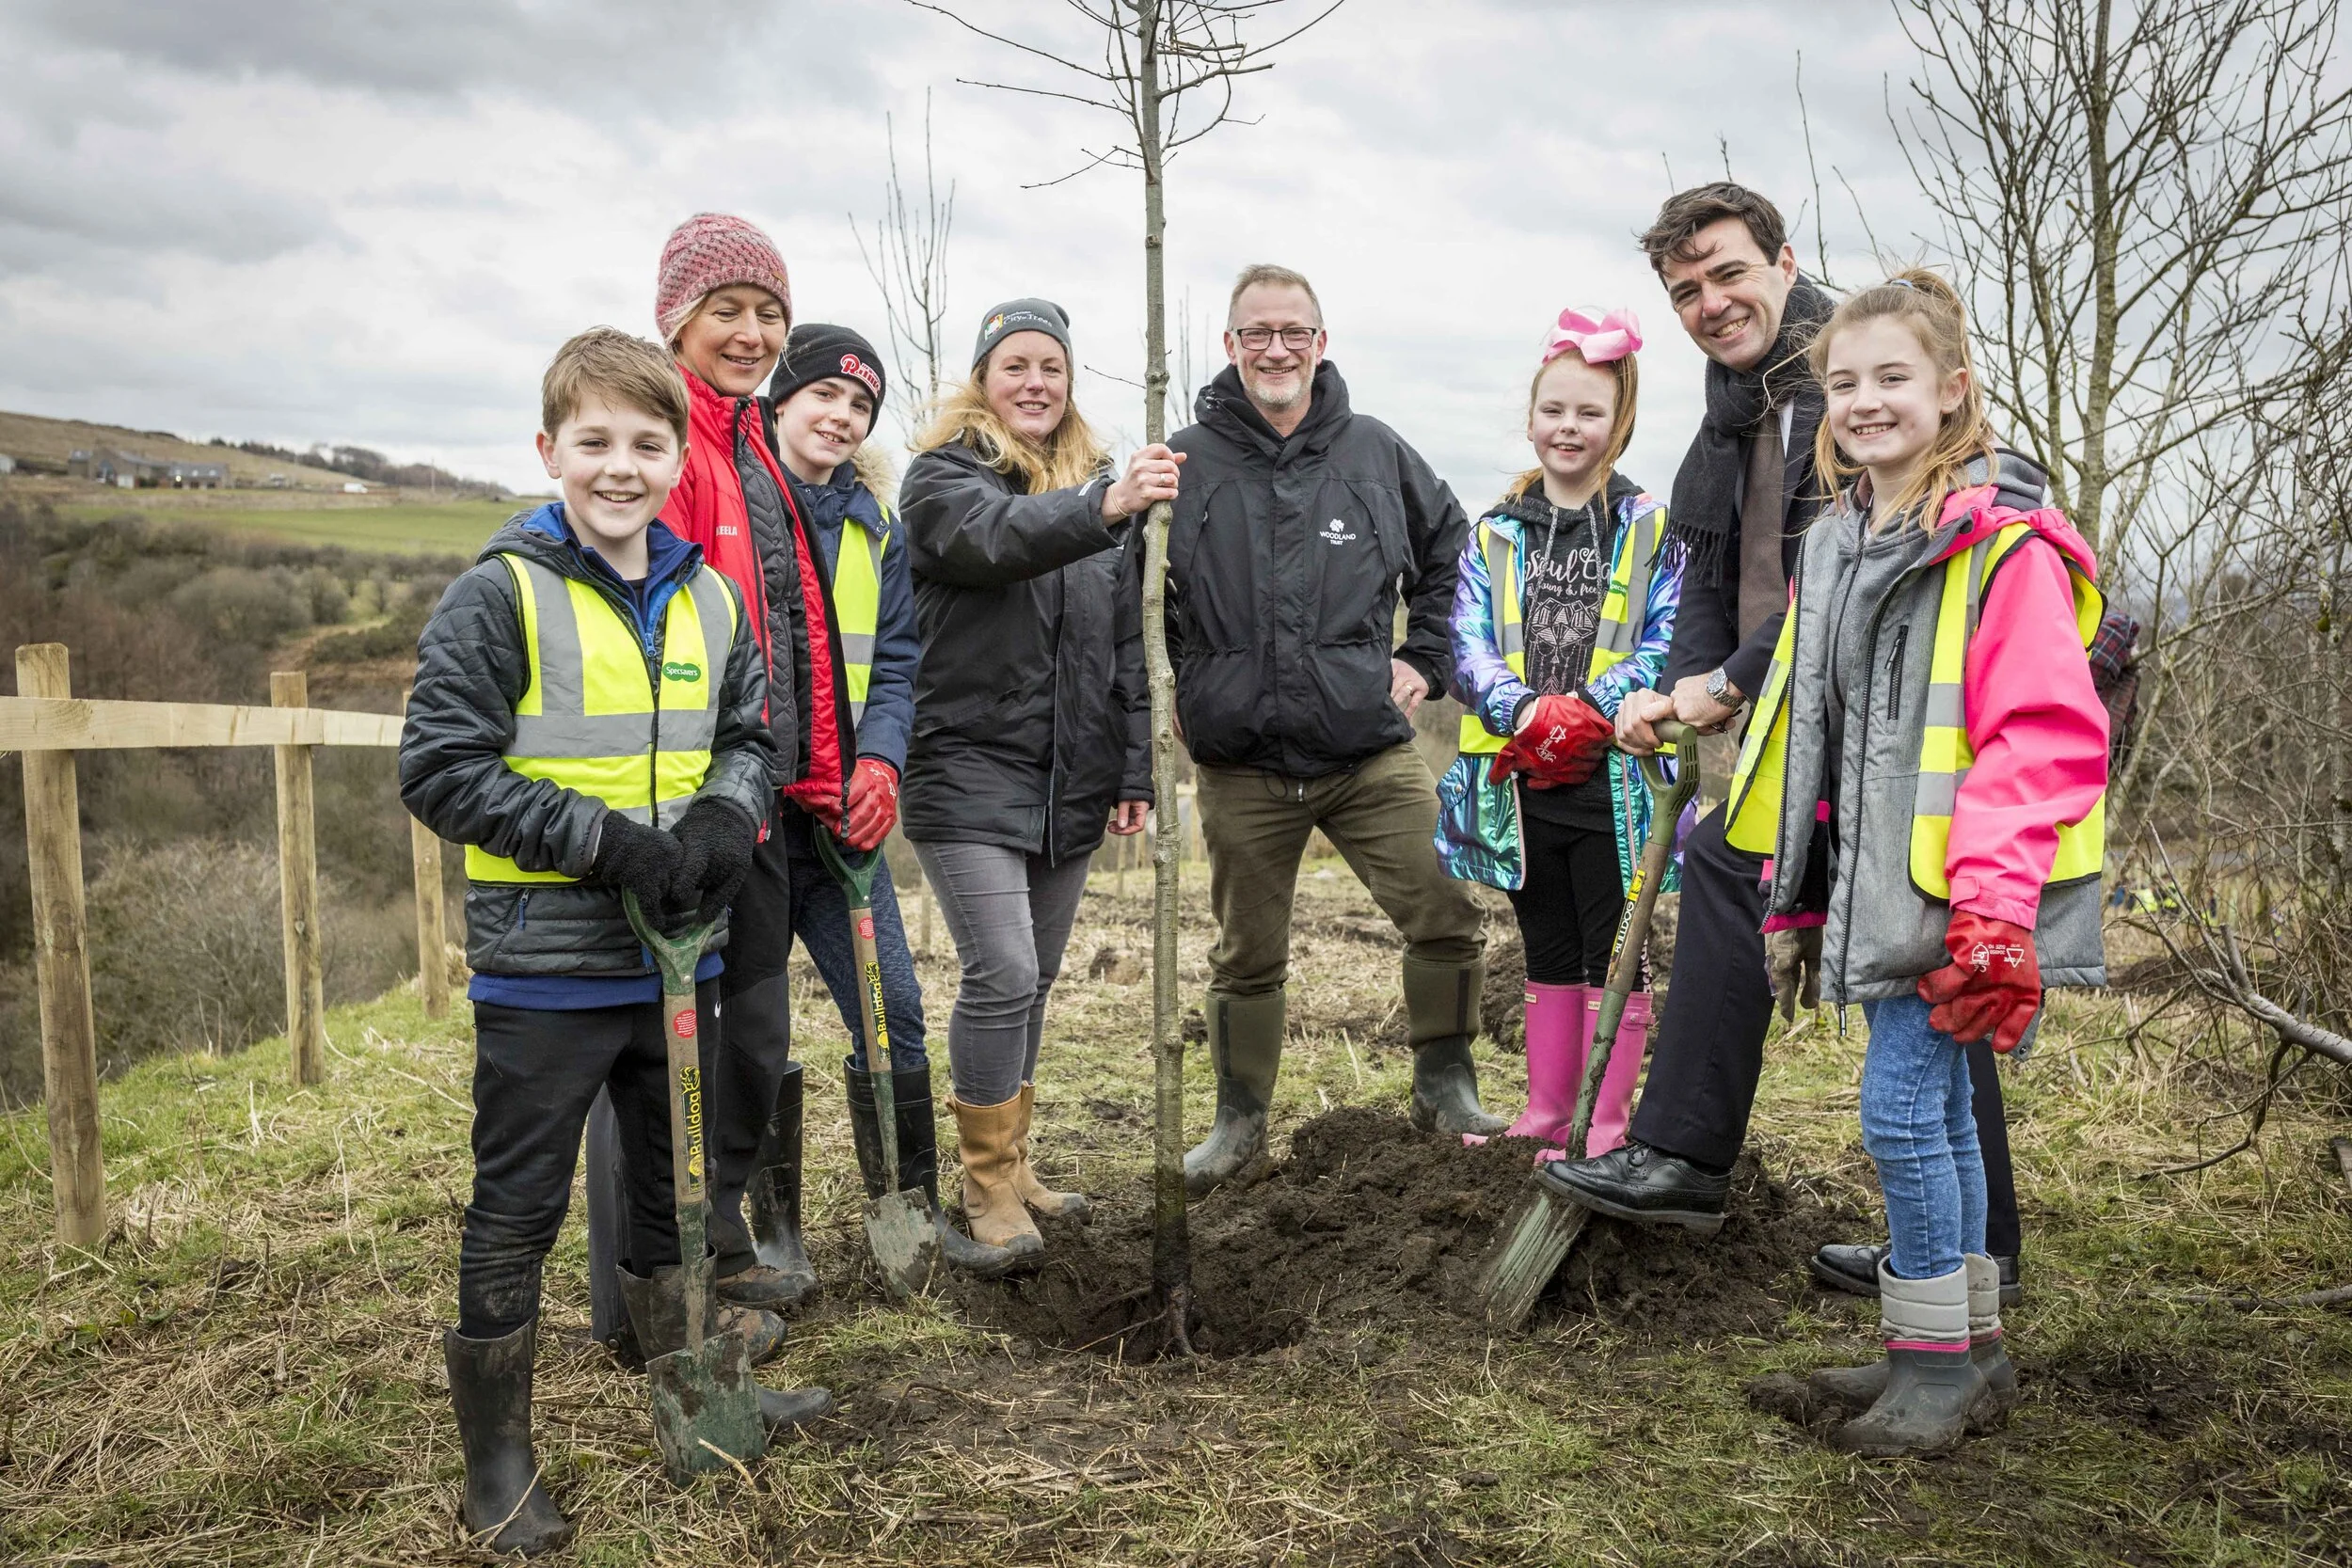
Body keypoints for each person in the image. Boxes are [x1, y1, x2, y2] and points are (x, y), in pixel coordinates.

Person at [1540, 187, 2042, 1307]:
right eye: (1684, 292)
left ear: (1783, 258)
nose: (1710, 304)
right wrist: (1683, 688)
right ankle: (1692, 1157)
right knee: (1729, 864)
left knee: (1921, 958)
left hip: (1905, 732)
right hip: (1801, 721)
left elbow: (1914, 535)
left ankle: (1965, 1253)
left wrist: (1725, 682)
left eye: (1727, 273)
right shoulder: (1722, 426)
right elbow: (1713, 581)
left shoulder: (1863, 378)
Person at [401, 328, 831, 1555]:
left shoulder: (707, 596)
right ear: (551, 450)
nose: (621, 466)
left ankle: (699, 1407)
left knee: (671, 1196)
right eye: (594, 442)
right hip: (547, 966)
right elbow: (438, 769)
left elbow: (751, 735)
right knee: (518, 1207)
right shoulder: (501, 594)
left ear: (675, 450)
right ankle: (498, 1466)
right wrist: (602, 840)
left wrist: (719, 814)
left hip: (675, 958)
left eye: (647, 443)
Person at [1729, 270, 2107, 1453]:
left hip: (1961, 897)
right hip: (1877, 882)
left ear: (1952, 391)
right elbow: (1817, 728)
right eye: (1842, 383)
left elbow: (2040, 736)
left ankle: (1936, 1360)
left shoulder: (2004, 551)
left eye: (1891, 378)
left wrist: (1993, 912)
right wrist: (1797, 882)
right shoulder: (1840, 540)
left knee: (1899, 1113)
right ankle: (1955, 1349)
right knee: (1934, 1113)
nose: (1863, 402)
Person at [1168, 262, 1499, 1198]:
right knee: (1245, 951)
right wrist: (1182, 695)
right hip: (1238, 765)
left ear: (1321, 342)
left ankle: (1445, 1088)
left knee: (1443, 909)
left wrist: (1426, 659)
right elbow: (1140, 592)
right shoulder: (1183, 459)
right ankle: (1237, 1123)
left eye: (1294, 332)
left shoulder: (1375, 452)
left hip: (1367, 750)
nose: (1276, 349)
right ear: (1229, 346)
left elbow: (1454, 555)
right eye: (1256, 333)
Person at [751, 321, 1022, 1275]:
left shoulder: (873, 525)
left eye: (858, 405)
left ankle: (904, 1203)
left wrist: (883, 766)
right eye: (823, 394)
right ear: (782, 399)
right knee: (756, 1026)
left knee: (894, 1005)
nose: (840, 415)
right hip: (750, 820)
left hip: (845, 820)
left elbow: (897, 665)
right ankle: (769, 1233)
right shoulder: (738, 504)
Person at [898, 298, 1162, 1257]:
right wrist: (1104, 505)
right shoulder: (942, 480)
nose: (1035, 382)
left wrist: (1130, 764)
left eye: (1050, 365)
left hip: (1072, 777)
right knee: (1001, 968)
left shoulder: (1096, 496)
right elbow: (994, 540)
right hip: (965, 764)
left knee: (1037, 978)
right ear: (982, 378)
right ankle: (981, 1189)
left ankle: (1016, 1167)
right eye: (1014, 364)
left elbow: (1124, 646)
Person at [1441, 307, 1684, 1159]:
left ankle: (1603, 1122)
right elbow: (1464, 640)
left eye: (1589, 412)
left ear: (1619, 422)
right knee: (1541, 936)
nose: (1567, 428)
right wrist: (1522, 711)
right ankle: (1545, 1113)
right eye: (1554, 410)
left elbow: (1668, 636)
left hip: (1614, 774)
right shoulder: (1496, 531)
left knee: (1611, 942)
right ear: (1533, 416)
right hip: (1518, 775)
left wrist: (1585, 706)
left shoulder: (1653, 527)